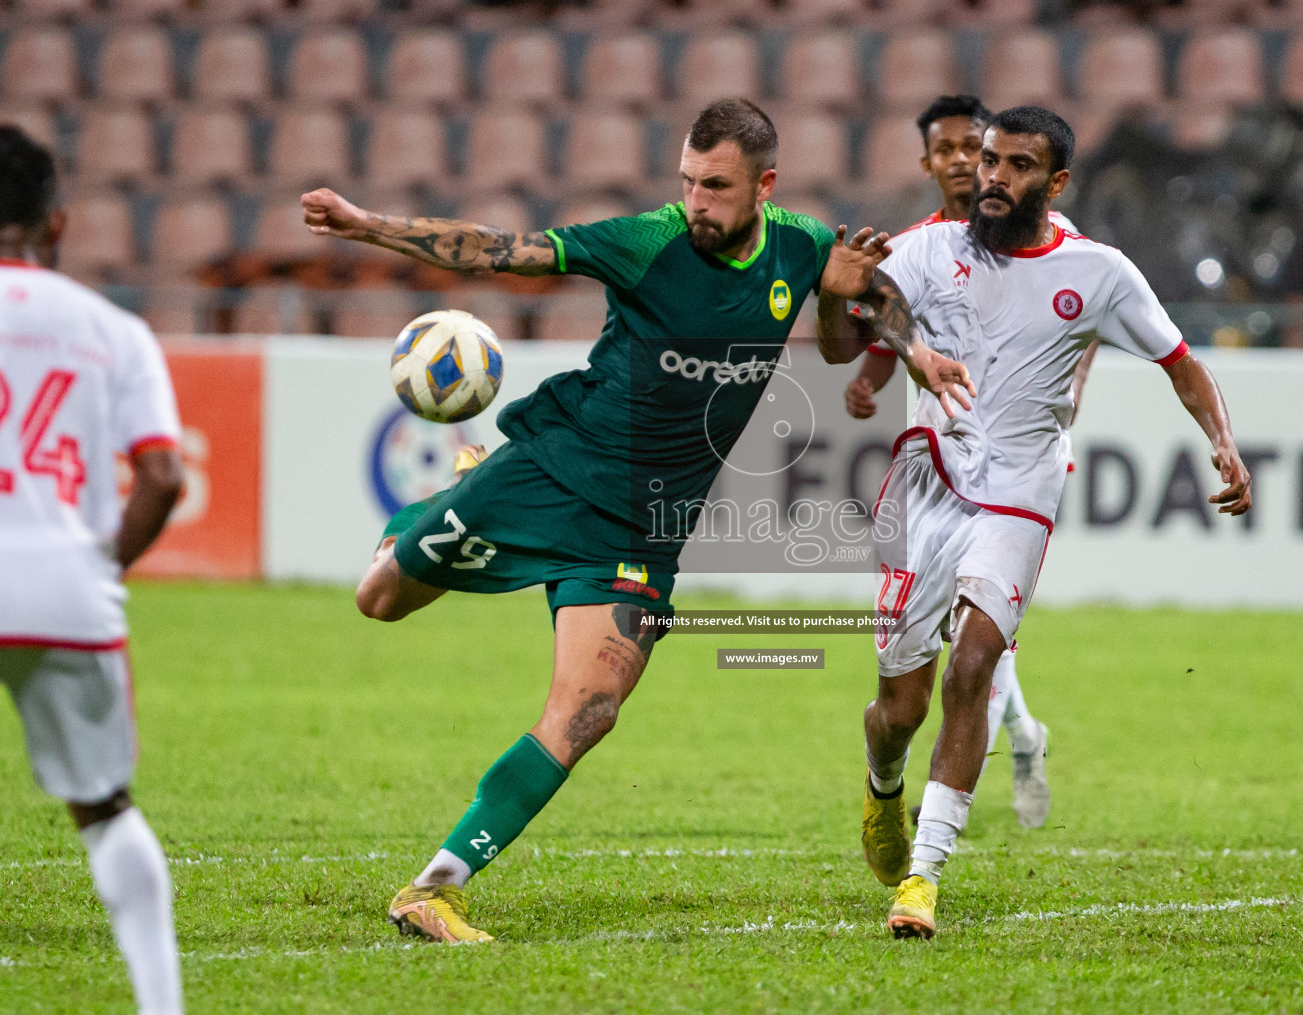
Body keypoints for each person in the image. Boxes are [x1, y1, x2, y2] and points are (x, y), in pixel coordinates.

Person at [299, 98, 974, 943]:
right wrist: (367, 228)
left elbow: (858, 313)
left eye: (717, 186)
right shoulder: (645, 241)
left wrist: (913, 349)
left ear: (763, 186)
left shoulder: (798, 245)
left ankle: (436, 887)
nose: (697, 201)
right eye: (688, 182)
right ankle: (431, 509)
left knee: (592, 708)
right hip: (553, 472)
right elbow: (507, 253)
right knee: (380, 599)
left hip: (644, 531)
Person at [818, 105, 1253, 940]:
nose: (993, 177)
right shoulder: (924, 250)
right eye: (988, 160)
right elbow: (841, 344)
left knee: (975, 665)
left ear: (1053, 184)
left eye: (1017, 166)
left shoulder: (1099, 272)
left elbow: (1181, 364)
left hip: (1021, 488)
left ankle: (922, 879)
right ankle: (881, 789)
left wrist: (1224, 442)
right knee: (898, 710)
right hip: (928, 484)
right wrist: (840, 301)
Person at [845, 94, 1094, 831]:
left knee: (976, 644)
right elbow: (895, 322)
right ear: (928, 163)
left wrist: (1068, 393)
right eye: (948, 149)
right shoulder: (921, 244)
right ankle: (1021, 738)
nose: (962, 160)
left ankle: (943, 806)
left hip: (1018, 467)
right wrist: (872, 377)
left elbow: (1085, 320)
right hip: (939, 467)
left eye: (972, 146)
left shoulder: (1062, 242)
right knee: (943, 655)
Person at [0, 126, 187, 1013]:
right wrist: (102, 563)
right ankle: (160, 1004)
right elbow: (161, 474)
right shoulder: (112, 329)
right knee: (105, 808)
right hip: (63, 590)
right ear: (58, 223)